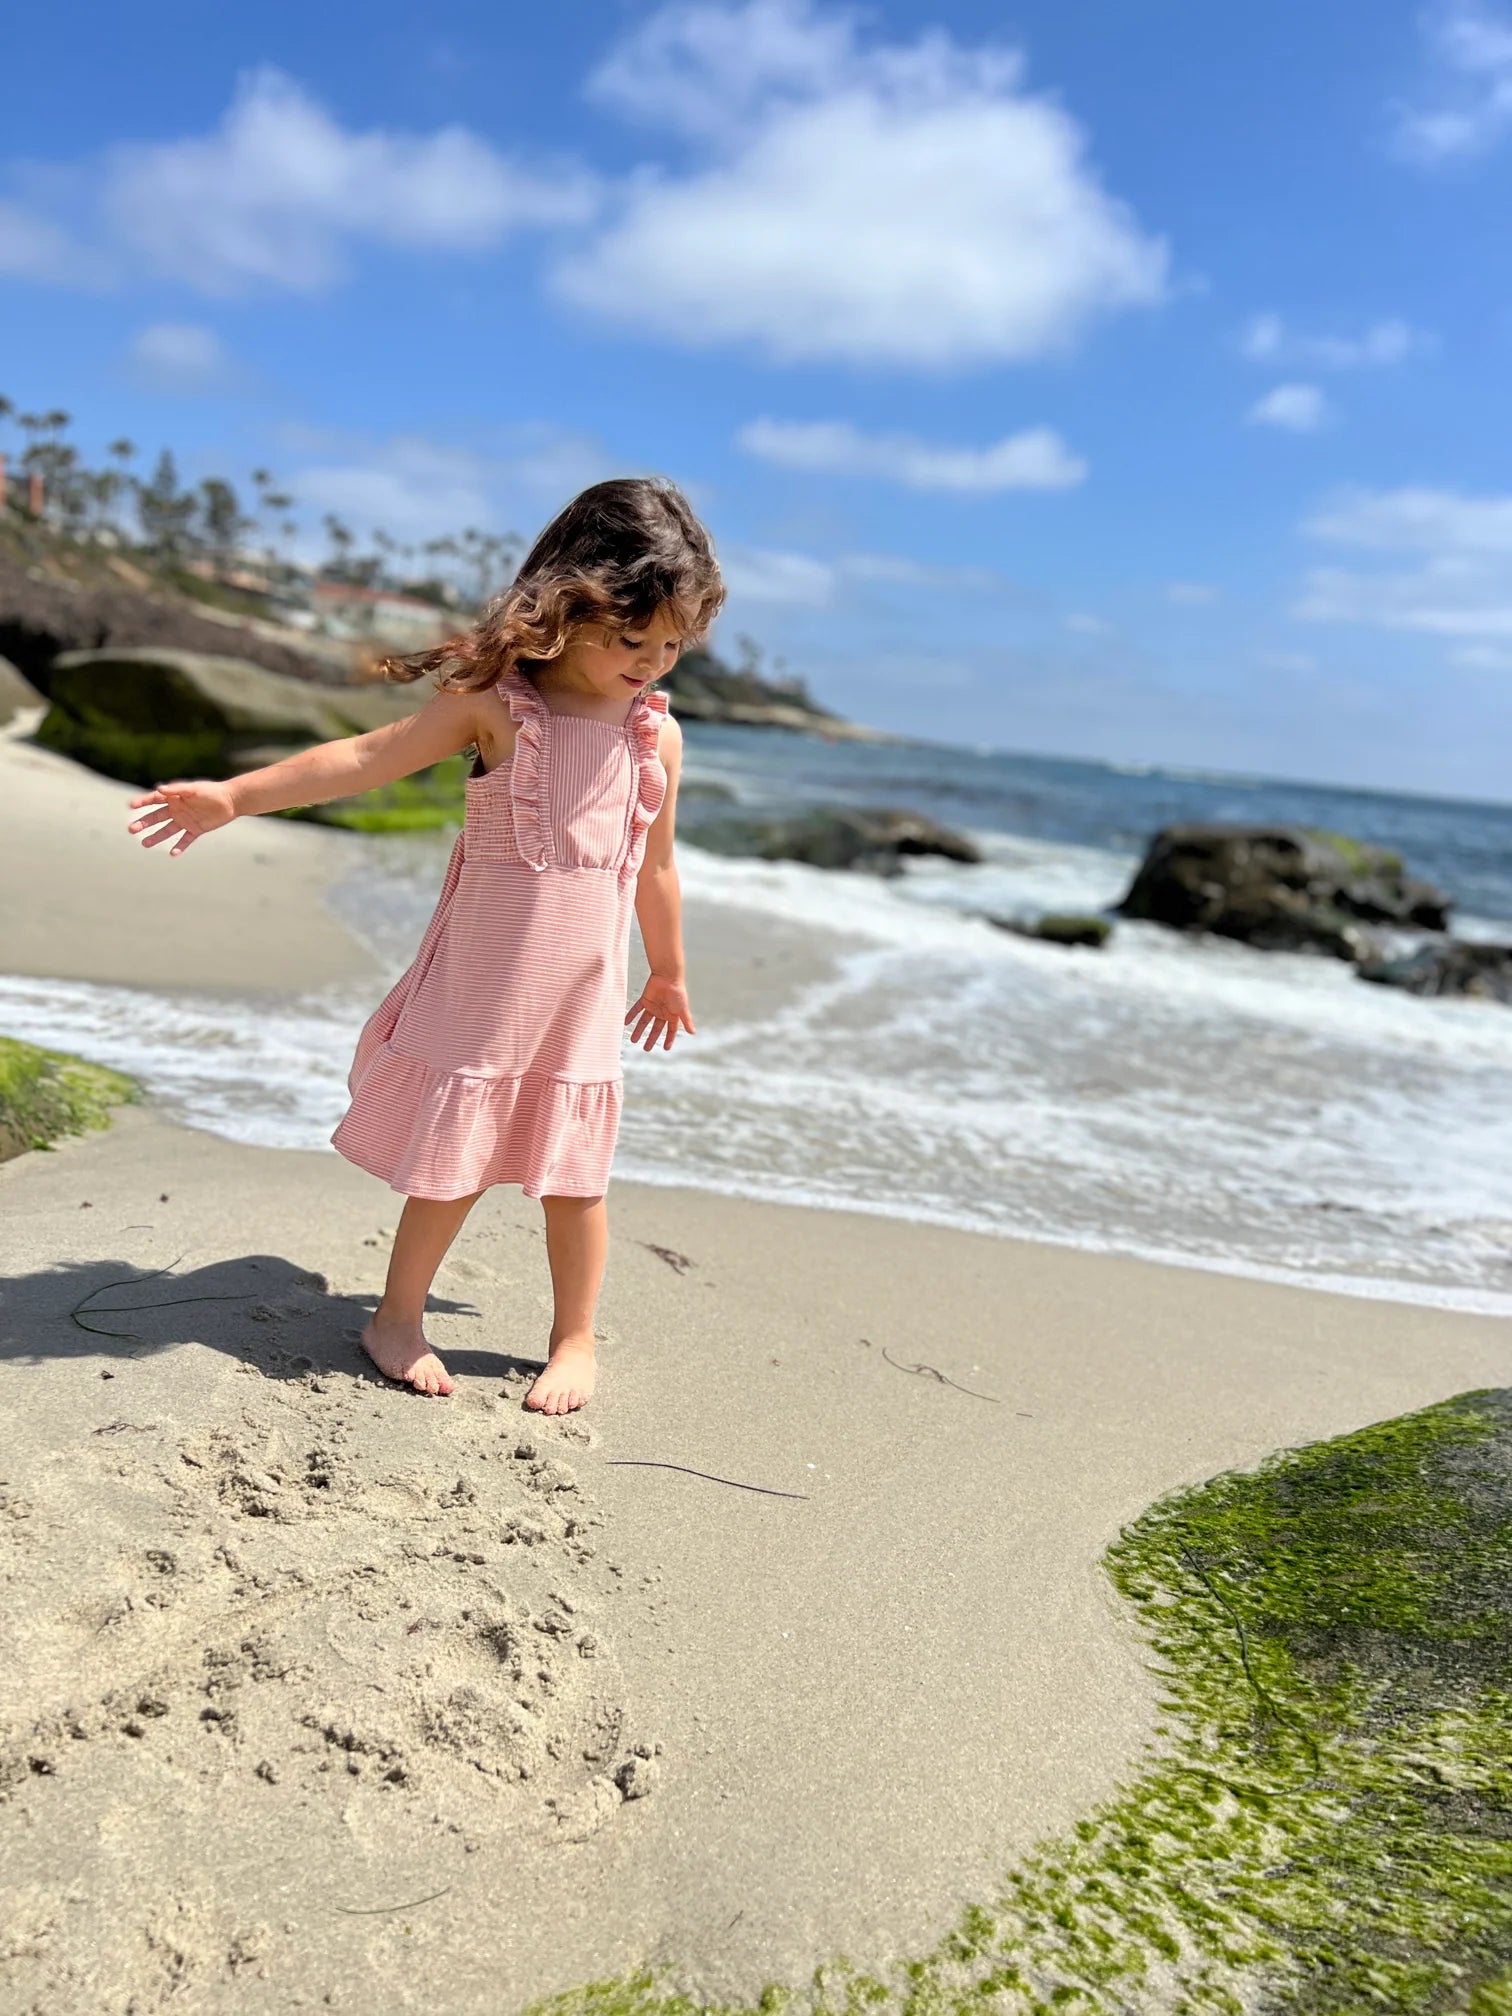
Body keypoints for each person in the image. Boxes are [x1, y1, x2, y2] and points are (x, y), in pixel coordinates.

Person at [126, 477, 724, 1413]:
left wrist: (672, 971)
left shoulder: (659, 737)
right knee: (456, 1162)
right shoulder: (496, 706)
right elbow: (367, 757)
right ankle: (395, 1319)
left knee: (577, 1176)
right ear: (568, 610)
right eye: (630, 640)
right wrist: (234, 797)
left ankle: (575, 1339)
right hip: (486, 985)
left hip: (584, 996)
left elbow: (655, 867)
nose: (650, 663)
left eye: (671, 645)